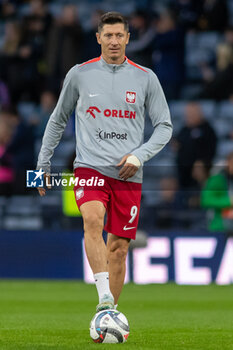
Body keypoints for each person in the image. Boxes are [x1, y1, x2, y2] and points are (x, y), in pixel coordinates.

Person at [36, 12, 172, 312]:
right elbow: (58, 119)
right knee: (93, 220)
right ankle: (104, 298)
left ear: (127, 38)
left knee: (119, 249)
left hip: (128, 174)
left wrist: (140, 155)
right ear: (98, 38)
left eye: (119, 35)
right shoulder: (79, 74)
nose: (113, 41)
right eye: (107, 35)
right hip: (89, 167)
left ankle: (109, 315)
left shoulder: (146, 77)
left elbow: (164, 126)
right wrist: (43, 162)